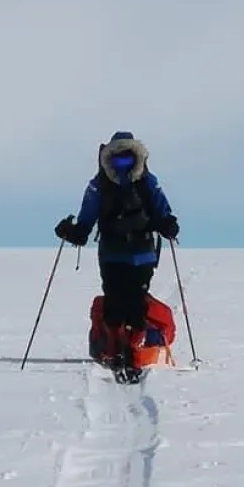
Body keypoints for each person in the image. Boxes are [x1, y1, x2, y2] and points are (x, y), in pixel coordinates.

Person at [54, 131, 179, 367]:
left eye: (127, 158)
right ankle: (124, 347)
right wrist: (73, 232)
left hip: (130, 253)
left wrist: (168, 223)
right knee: (120, 301)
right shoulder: (105, 185)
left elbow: (162, 211)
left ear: (136, 157)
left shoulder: (128, 184)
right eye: (118, 159)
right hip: (128, 253)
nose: (122, 163)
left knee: (131, 302)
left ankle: (123, 347)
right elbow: (86, 222)